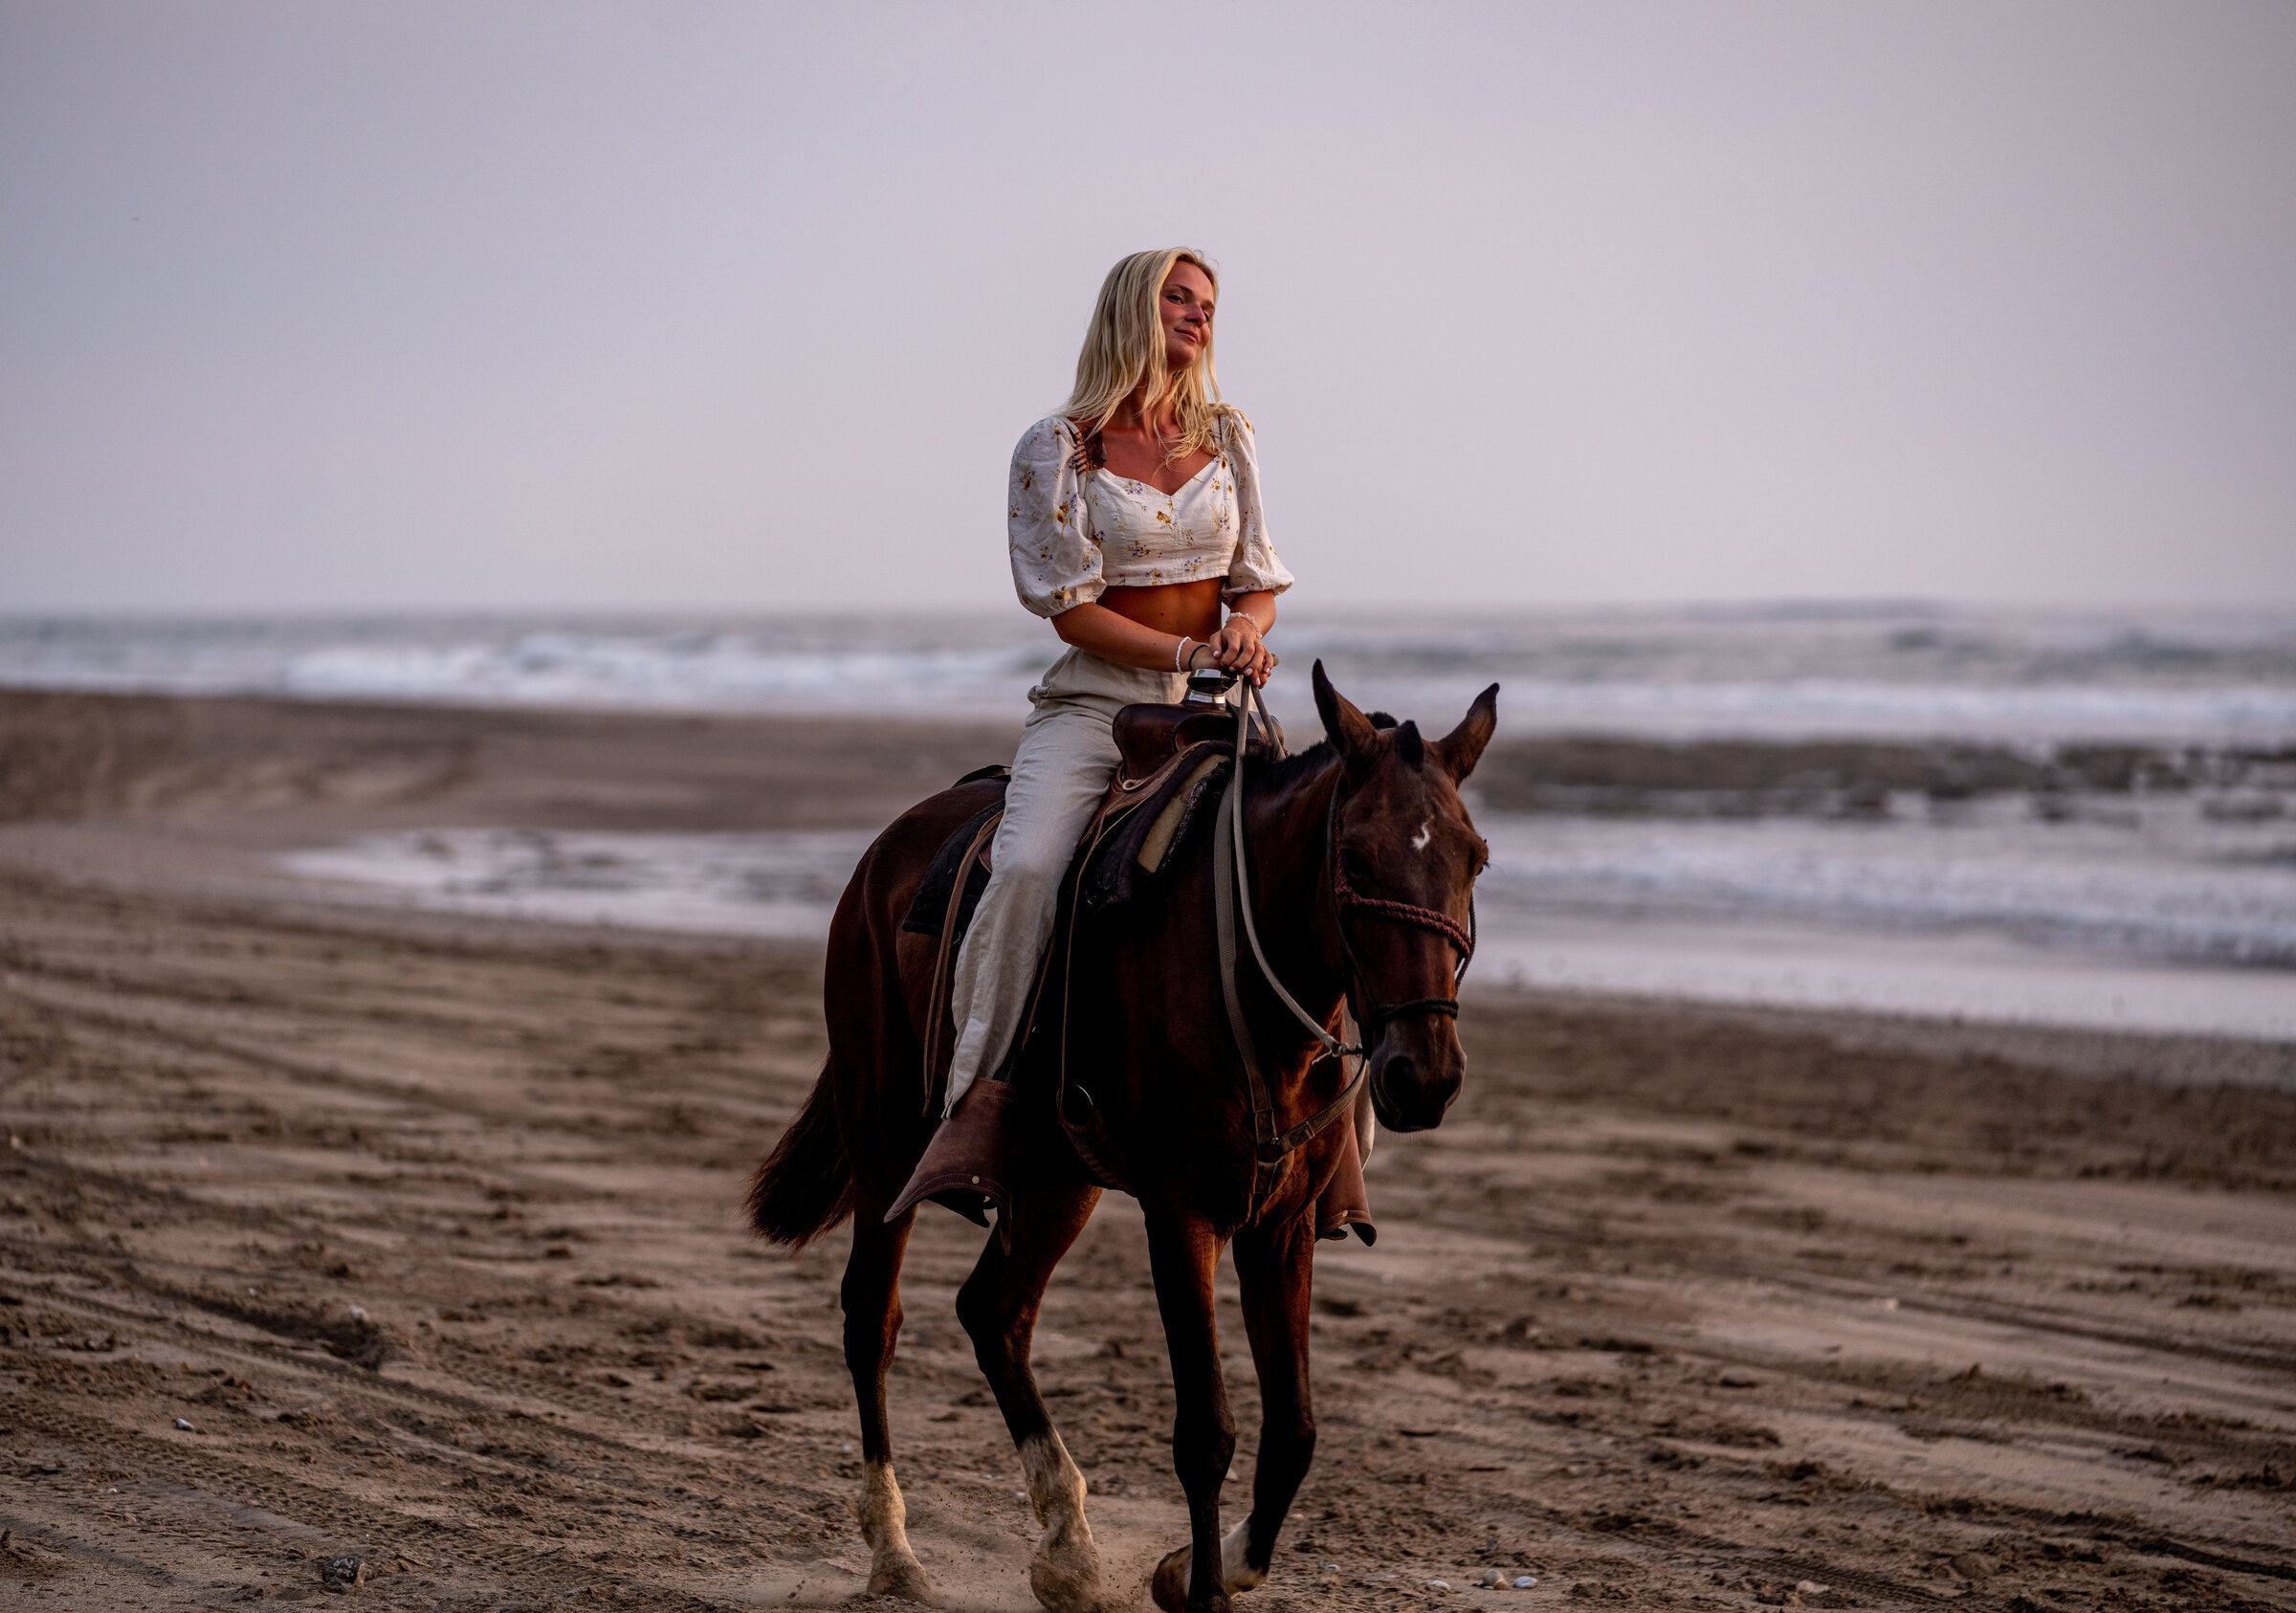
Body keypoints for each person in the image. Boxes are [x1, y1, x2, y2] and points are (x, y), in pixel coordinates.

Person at [891, 247, 1292, 1222]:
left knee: (1315, 860)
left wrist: (1245, 628)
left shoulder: (1228, 433)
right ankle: (975, 1112)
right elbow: (1067, 609)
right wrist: (1189, 647)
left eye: (1208, 305)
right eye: (1178, 299)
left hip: (1213, 710)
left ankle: (1333, 1142)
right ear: (1131, 308)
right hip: (1097, 709)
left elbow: (1259, 580)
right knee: (1026, 867)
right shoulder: (1059, 445)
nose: (1198, 318)